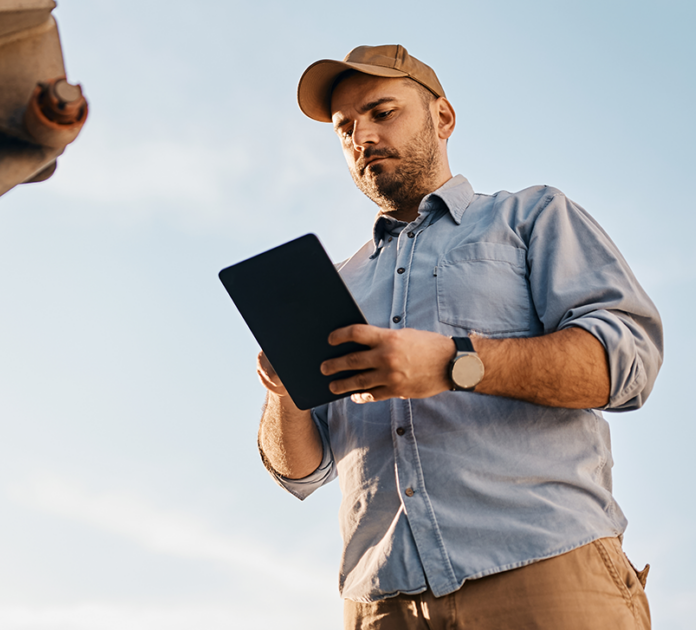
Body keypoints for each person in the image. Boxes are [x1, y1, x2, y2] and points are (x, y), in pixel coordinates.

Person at [257, 44, 664, 630]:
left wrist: (454, 363)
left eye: (381, 112)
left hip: (542, 574)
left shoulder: (530, 218)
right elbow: (300, 471)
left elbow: (628, 364)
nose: (361, 136)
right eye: (345, 128)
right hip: (380, 604)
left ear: (442, 118)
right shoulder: (337, 285)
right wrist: (283, 389)